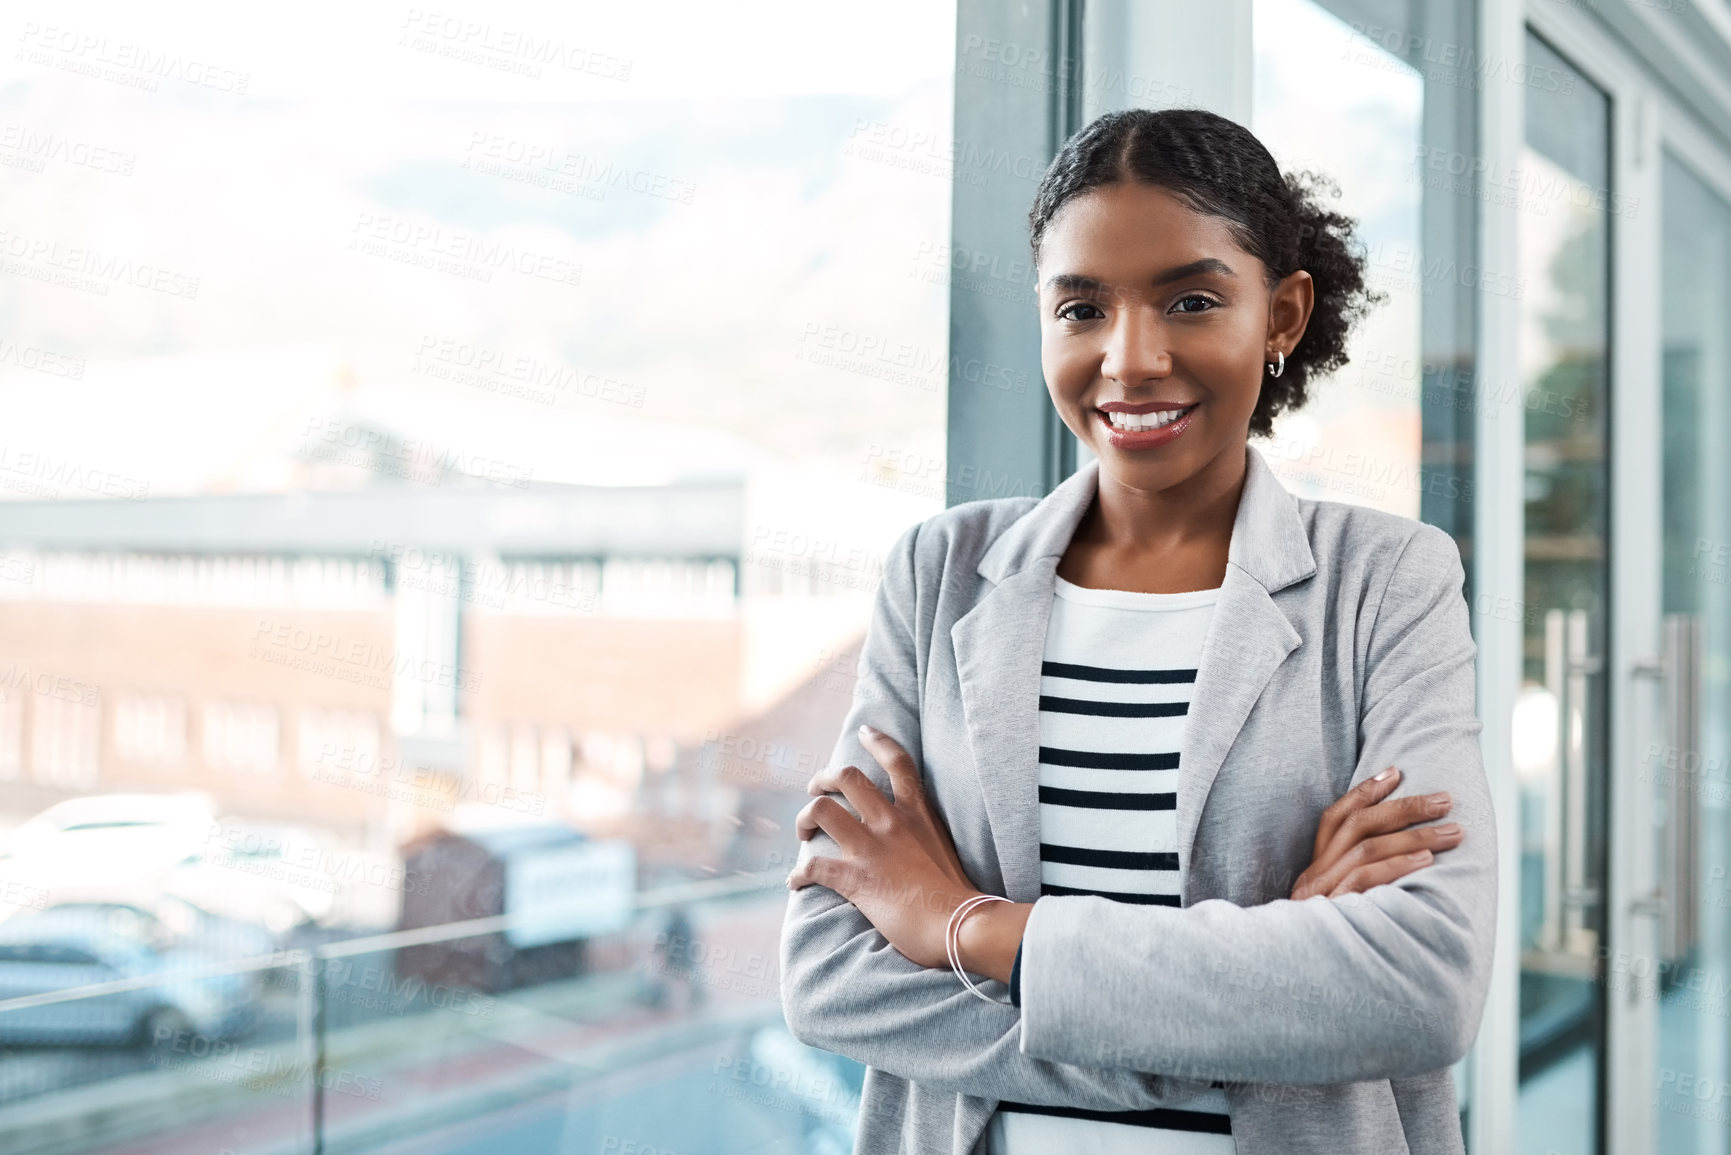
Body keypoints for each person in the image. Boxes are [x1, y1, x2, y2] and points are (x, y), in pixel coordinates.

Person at [778, 108, 1495, 1155]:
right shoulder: (940, 575)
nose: (1130, 359)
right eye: (1081, 309)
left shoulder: (1385, 583)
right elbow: (831, 979)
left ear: (1283, 314)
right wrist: (1266, 995)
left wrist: (957, 927)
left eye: (1192, 301)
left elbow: (1420, 988)